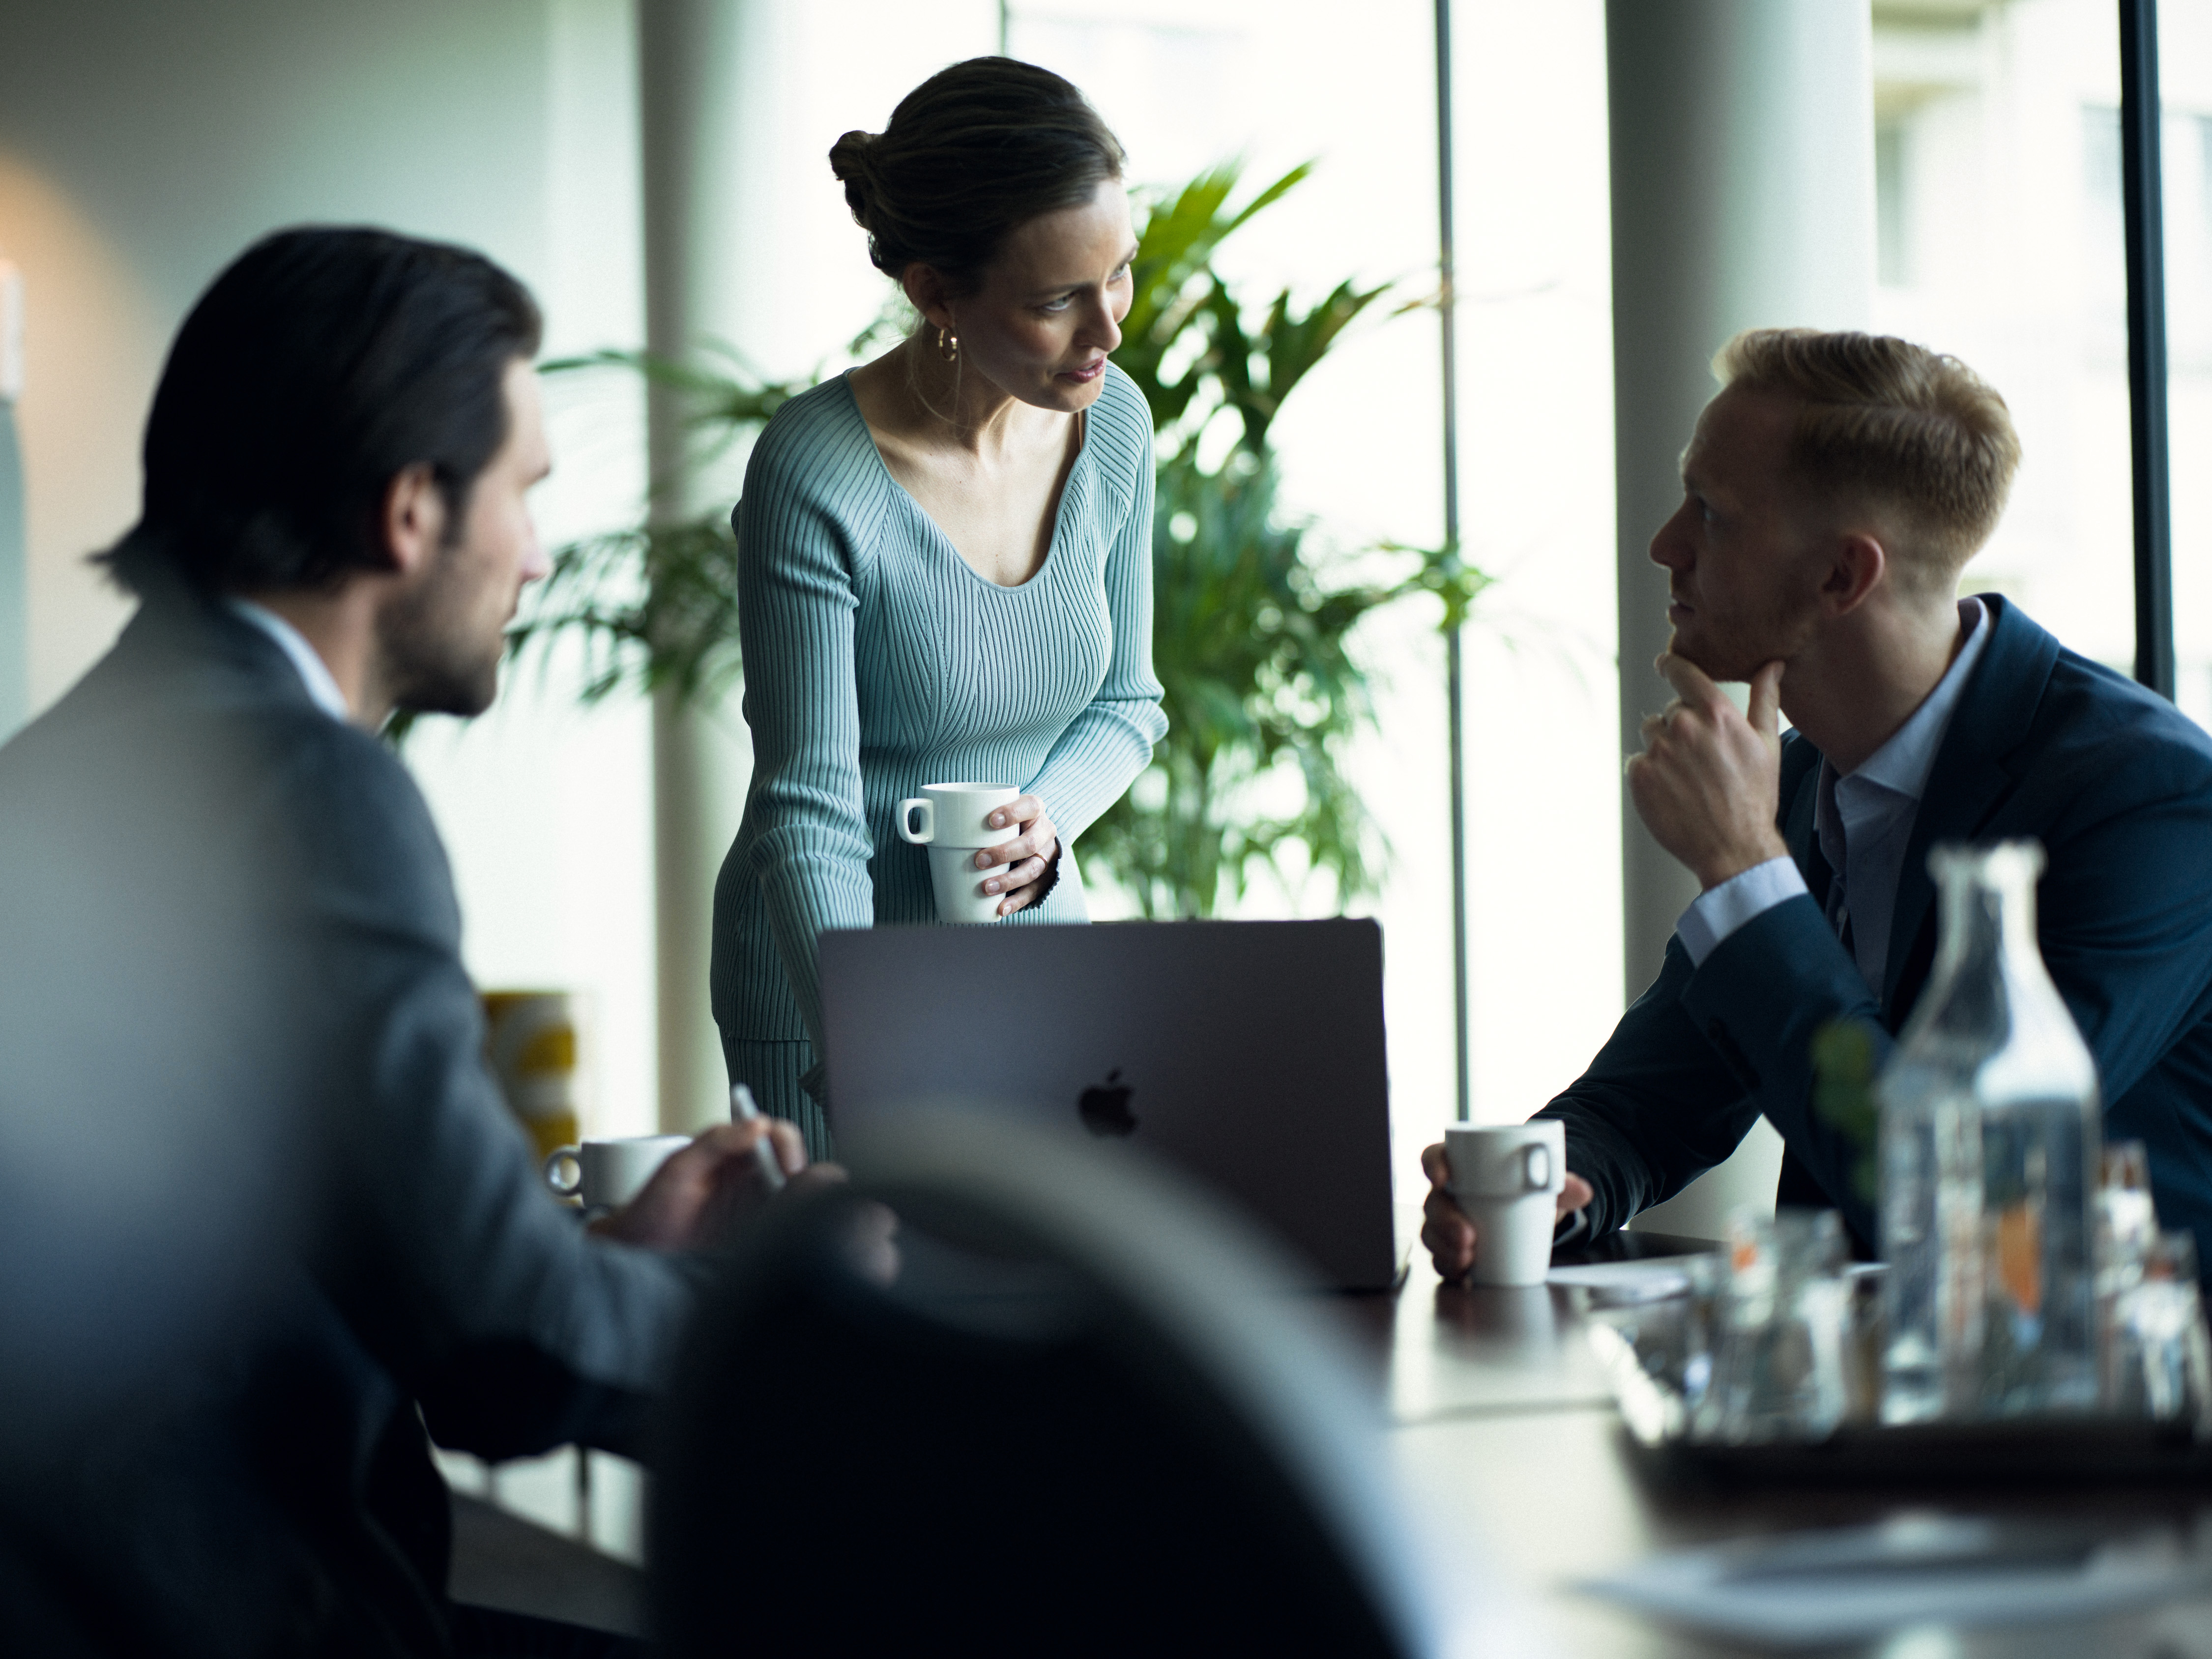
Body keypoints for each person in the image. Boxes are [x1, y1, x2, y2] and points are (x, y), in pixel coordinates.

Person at [0, 227, 812, 1657]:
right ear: (409, 513)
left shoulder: (63, 764)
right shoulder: (310, 783)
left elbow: (409, 1299)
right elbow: (499, 1352)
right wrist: (793, 1326)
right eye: (525, 494)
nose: (540, 555)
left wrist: (603, 1258)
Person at [1422, 328, 2212, 1277]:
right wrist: (1553, 1180)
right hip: (1883, 1389)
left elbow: (1952, 1196)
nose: (1663, 544)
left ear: (1843, 575)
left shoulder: (2150, 801)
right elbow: (1650, 1101)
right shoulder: (1803, 781)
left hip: (2118, 1399)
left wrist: (1747, 871)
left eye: (1710, 513)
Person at [710, 58, 1167, 1157]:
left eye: (1122, 275)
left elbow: (1129, 701)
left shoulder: (1115, 427)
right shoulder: (814, 470)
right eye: (1058, 299)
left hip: (1033, 953)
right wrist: (875, 1053)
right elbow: (807, 810)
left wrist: (1048, 815)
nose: (1107, 331)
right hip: (826, 968)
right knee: (869, 1309)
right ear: (935, 292)